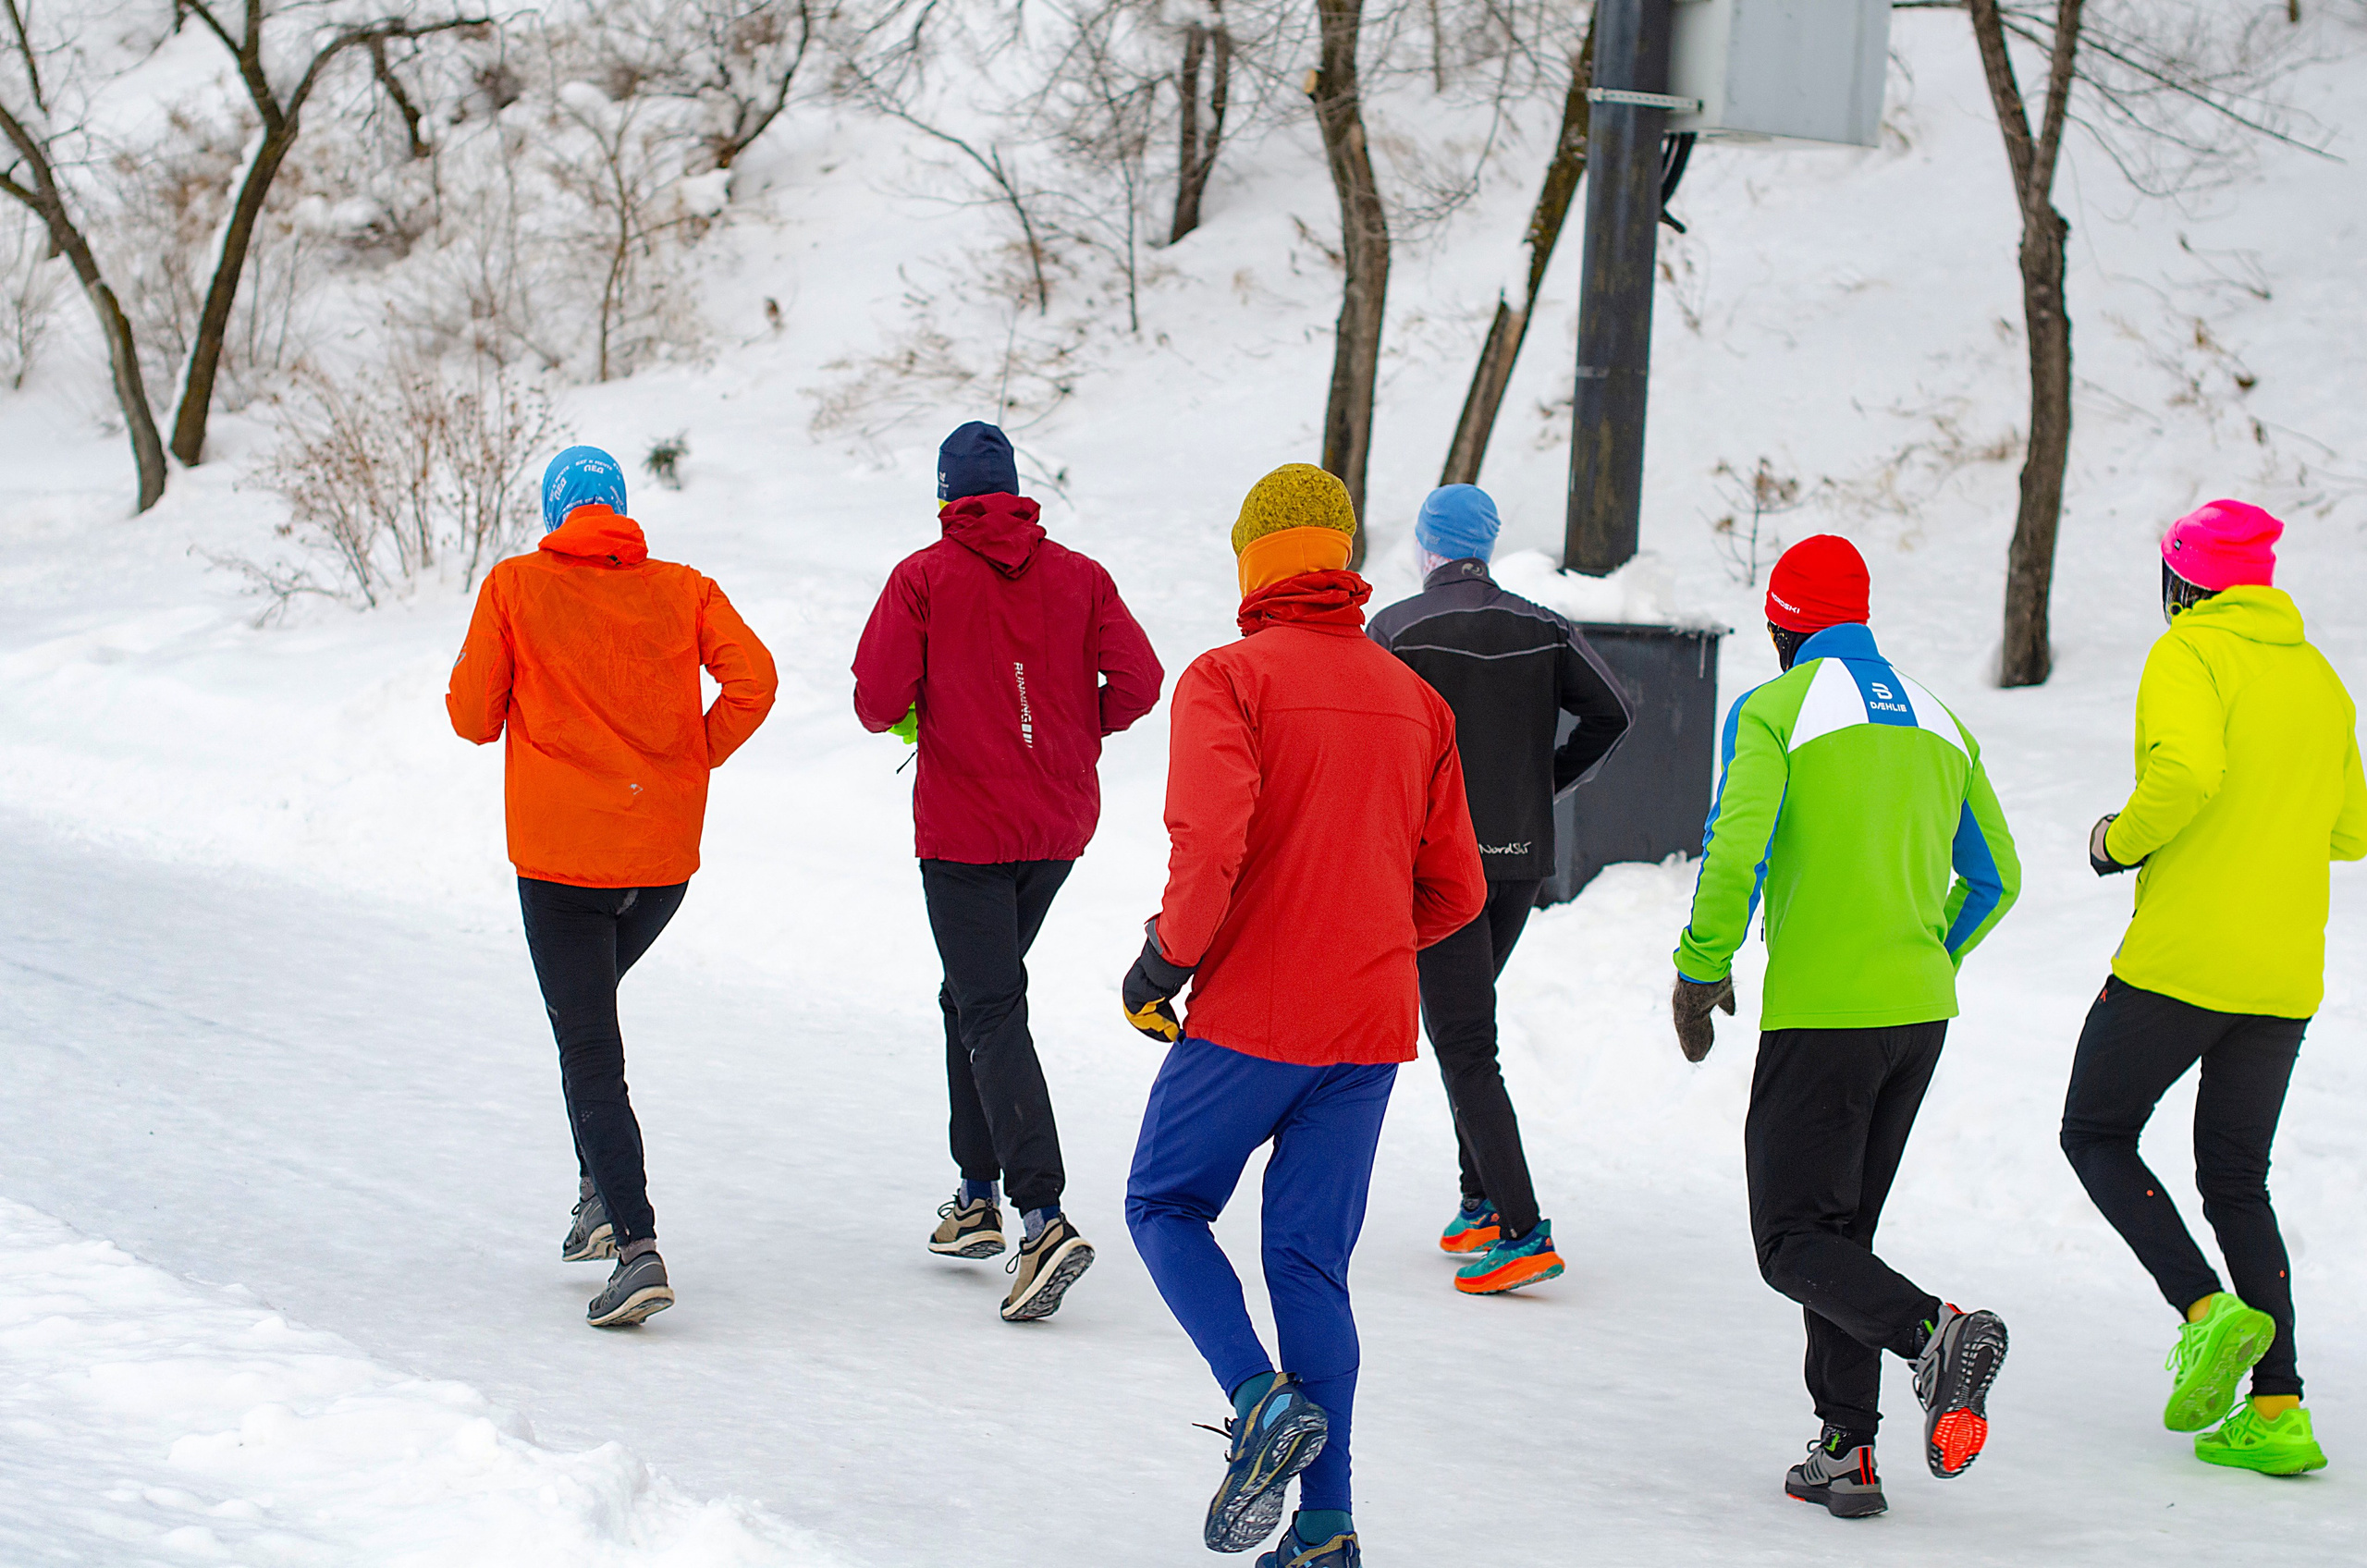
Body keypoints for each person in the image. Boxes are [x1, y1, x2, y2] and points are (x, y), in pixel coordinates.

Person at [1122, 464, 1487, 1568]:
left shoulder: (1226, 679)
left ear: (1253, 563)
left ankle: (1256, 1400)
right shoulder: (1417, 701)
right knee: (1309, 1266)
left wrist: (1159, 962)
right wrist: (1362, 936)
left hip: (1249, 1017)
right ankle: (1326, 1532)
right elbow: (1457, 889)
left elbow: (1213, 847)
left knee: (1163, 1203)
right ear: (1339, 562)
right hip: (1367, 1029)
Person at [1668, 533, 2019, 1516]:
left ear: (1782, 626)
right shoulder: (1942, 719)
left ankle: (1932, 1334)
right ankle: (1844, 1450)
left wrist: (1700, 970)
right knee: (1841, 1234)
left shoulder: (1773, 711)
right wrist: (1930, 954)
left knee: (1789, 1239)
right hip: (1917, 1018)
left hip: (1823, 1017)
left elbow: (1734, 852)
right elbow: (1998, 878)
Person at [2062, 501, 2363, 1476]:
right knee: (2235, 1176)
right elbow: (2351, 827)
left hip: (2185, 959)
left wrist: (2117, 839)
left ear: (2185, 580)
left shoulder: (2190, 652)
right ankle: (2278, 1407)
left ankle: (2204, 1309)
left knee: (2095, 1131)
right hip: (2282, 972)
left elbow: (2186, 771)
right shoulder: (2315, 674)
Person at [447, 445, 778, 1328]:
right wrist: (691, 756)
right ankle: (598, 1193)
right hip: (660, 863)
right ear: (621, 510)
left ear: (556, 513)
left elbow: (473, 718)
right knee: (586, 1024)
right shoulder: (684, 588)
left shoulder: (517, 586)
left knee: (588, 1044)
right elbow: (756, 680)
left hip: (561, 866)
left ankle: (636, 1246)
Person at [852, 420, 1163, 1322]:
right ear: (1017, 490)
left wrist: (929, 711)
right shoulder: (1082, 575)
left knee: (989, 1005)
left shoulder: (922, 577)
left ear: (948, 495)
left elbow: (876, 700)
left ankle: (1042, 1216)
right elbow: (1138, 682)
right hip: (1057, 825)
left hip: (963, 835)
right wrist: (1073, 735)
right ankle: (975, 1195)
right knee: (971, 994)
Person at [1367, 484, 1631, 1294]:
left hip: (1440, 868)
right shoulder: (1542, 625)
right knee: (1465, 1026)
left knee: (1464, 1043)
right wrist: (1540, 784)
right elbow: (1614, 711)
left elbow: (1367, 744)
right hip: (1517, 863)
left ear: (1427, 547)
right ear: (1486, 545)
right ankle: (1479, 1200)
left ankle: (1522, 1229)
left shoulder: (1396, 631)